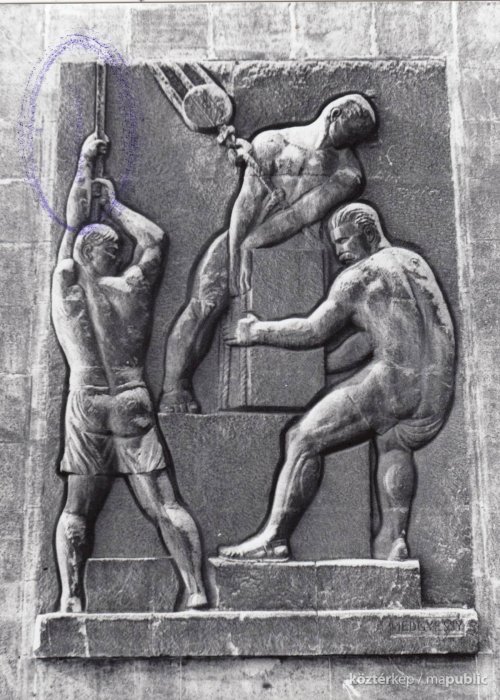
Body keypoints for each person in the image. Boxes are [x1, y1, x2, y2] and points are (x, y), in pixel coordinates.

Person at [219, 202, 455, 562]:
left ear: (369, 234)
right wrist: (327, 367)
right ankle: (394, 540)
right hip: (436, 389)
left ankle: (274, 539)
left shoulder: (359, 276)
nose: (340, 251)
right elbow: (376, 333)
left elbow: (314, 330)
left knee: (302, 438)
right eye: (335, 243)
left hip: (395, 380)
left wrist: (257, 331)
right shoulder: (414, 263)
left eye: (344, 240)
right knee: (393, 442)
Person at [52, 132, 207, 611]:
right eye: (114, 250)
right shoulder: (133, 289)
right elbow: (155, 239)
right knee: (164, 504)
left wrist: (84, 165)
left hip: (88, 401)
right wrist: (114, 205)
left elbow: (71, 226)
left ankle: (72, 598)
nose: (119, 255)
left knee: (78, 509)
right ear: (108, 254)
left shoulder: (69, 286)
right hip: (131, 400)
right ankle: (196, 589)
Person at [160, 94, 377, 413]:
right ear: (333, 114)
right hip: (241, 234)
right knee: (204, 304)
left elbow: (301, 214)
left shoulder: (348, 172)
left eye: (357, 139)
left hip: (297, 254)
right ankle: (173, 390)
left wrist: (251, 246)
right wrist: (237, 251)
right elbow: (246, 203)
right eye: (349, 132)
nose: (350, 143)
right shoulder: (272, 142)